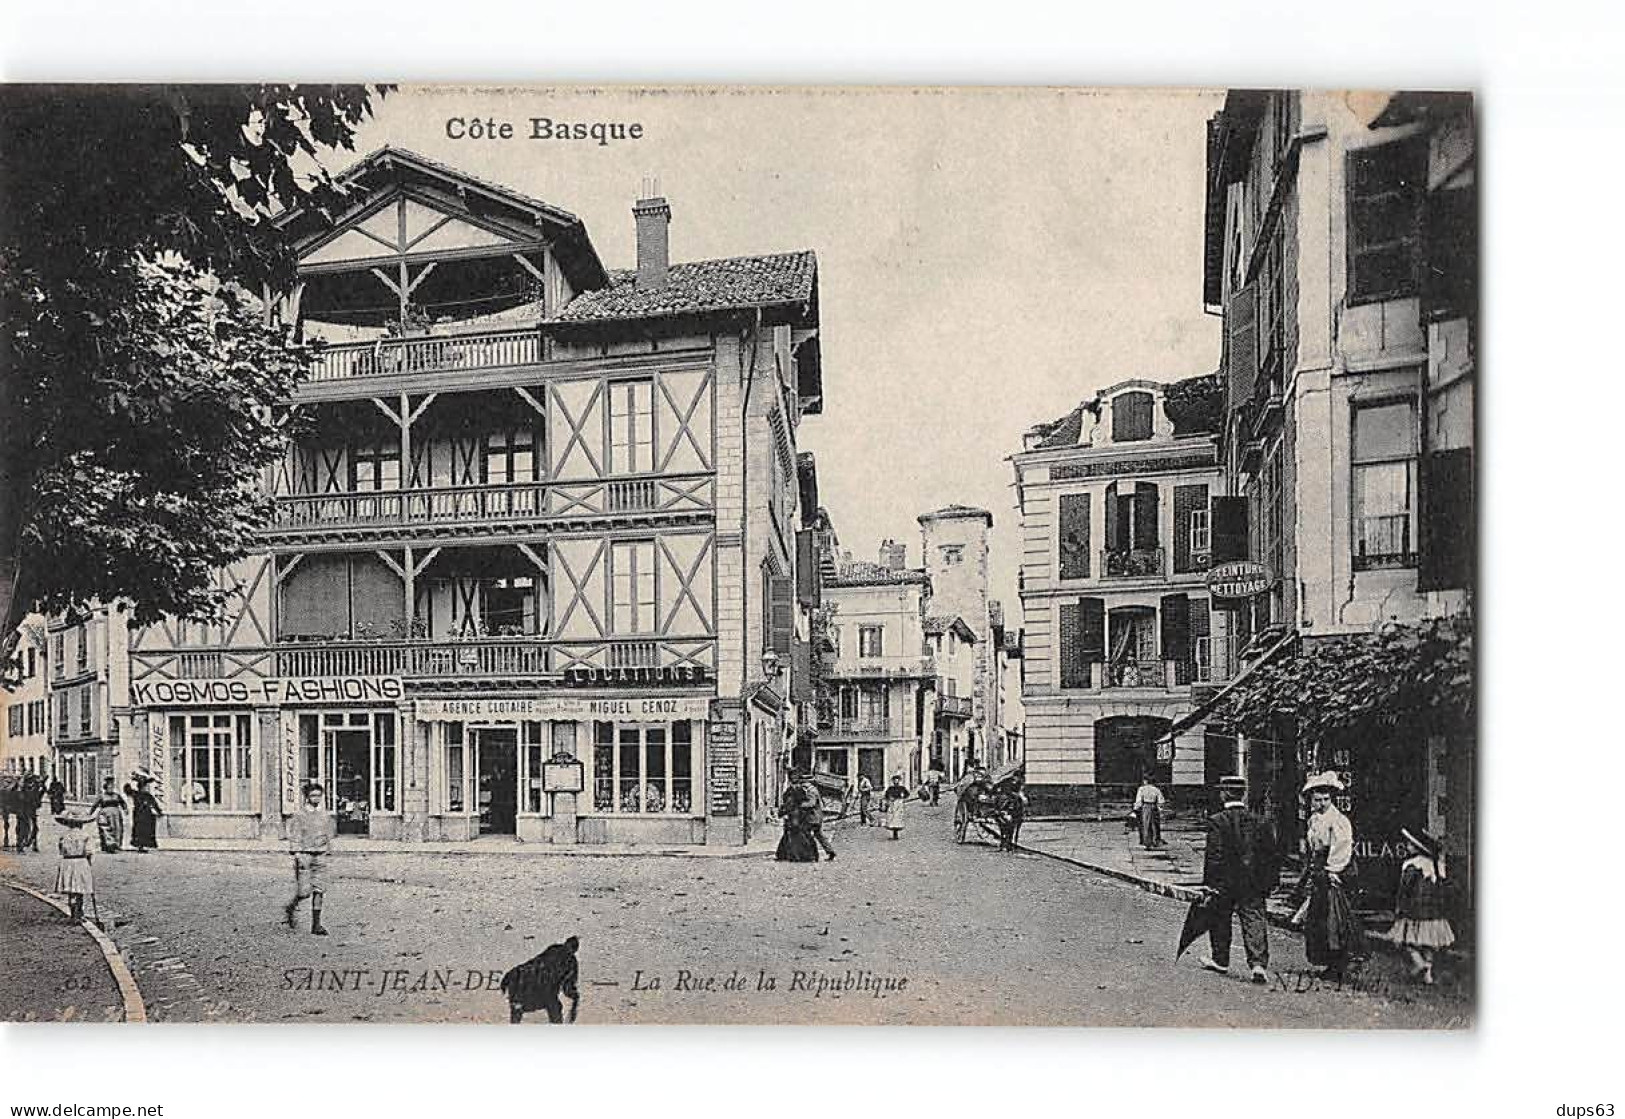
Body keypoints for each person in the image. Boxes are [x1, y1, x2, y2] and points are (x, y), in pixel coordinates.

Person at [1198, 776, 1279, 984]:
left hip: (1225, 881)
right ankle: (1258, 964)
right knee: (1254, 919)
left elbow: (1214, 855)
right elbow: (1270, 855)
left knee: (1220, 917)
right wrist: (1271, 882)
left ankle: (1221, 960)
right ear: (1242, 794)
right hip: (1252, 881)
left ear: (1224, 793)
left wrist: (1209, 884)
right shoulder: (1260, 821)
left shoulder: (1217, 821)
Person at [1296, 771, 1365, 981]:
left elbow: (1342, 846)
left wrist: (1333, 870)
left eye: (1326, 799)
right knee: (1319, 919)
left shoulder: (1338, 820)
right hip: (1319, 871)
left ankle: (1340, 964)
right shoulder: (1314, 820)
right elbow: (1312, 848)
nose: (1322, 803)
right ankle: (1328, 962)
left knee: (1335, 918)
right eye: (1318, 799)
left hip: (1334, 871)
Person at [1379, 826, 1455, 985]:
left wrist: (1399, 907)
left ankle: (1419, 964)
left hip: (1414, 909)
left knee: (1407, 941)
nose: (1407, 846)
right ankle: (1428, 973)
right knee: (1428, 943)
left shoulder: (1411, 864)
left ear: (1417, 847)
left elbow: (1404, 889)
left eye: (1410, 844)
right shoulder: (1435, 865)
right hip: (1433, 911)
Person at [284, 781, 334, 935]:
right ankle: (291, 908)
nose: (316, 798)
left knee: (319, 889)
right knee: (304, 891)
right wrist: (298, 854)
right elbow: (295, 836)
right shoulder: (299, 816)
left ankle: (316, 925)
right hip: (305, 855)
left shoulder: (324, 815)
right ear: (307, 797)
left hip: (320, 855)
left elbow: (329, 834)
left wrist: (327, 848)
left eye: (319, 795)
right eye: (313, 795)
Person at [501, 935, 581, 1023]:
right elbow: (538, 963)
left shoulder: (570, 963)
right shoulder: (555, 952)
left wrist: (574, 996)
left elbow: (568, 986)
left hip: (544, 991)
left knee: (554, 1008)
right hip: (533, 986)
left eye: (571, 948)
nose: (568, 950)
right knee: (519, 1007)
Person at [53, 810, 95, 923]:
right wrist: (89, 862)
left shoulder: (64, 836)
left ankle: (73, 914)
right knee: (79, 889)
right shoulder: (85, 836)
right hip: (81, 861)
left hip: (67, 863)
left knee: (71, 890)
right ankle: (79, 913)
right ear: (81, 823)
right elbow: (89, 851)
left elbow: (61, 850)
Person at [775, 772, 819, 863]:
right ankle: (795, 855)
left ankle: (802, 856)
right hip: (796, 814)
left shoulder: (796, 790)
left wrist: (785, 811)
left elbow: (792, 803)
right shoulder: (794, 790)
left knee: (798, 835)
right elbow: (788, 802)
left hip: (796, 815)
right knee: (795, 835)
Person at [799, 773, 837, 861]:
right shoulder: (814, 789)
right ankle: (830, 851)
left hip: (813, 817)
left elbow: (811, 804)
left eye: (803, 783)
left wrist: (800, 805)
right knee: (819, 835)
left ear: (807, 782)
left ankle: (812, 855)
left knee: (806, 834)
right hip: (818, 816)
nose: (802, 785)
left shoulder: (810, 791)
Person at [125, 770, 164, 853]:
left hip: (145, 814)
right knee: (139, 830)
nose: (145, 788)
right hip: (140, 814)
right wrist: (130, 780)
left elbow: (154, 804)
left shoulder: (146, 795)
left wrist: (159, 812)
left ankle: (142, 846)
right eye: (144, 786)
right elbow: (127, 789)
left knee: (145, 830)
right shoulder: (137, 794)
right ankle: (140, 845)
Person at [92, 777, 126, 854]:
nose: (110, 788)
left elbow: (123, 803)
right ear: (105, 788)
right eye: (109, 787)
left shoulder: (117, 795)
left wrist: (125, 809)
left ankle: (116, 845)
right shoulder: (102, 796)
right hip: (104, 814)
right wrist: (90, 813)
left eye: (112, 787)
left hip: (116, 815)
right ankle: (108, 846)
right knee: (106, 829)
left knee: (117, 829)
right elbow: (95, 805)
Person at [1133, 773, 1166, 849]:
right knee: (1155, 824)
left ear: (1145, 781)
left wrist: (1136, 808)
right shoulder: (1156, 789)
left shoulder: (1141, 789)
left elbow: (1138, 800)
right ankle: (1155, 841)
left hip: (1145, 807)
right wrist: (1160, 808)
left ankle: (1147, 842)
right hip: (1154, 807)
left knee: (1146, 824)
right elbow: (1161, 801)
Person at [882, 775, 910, 839]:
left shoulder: (902, 788)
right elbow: (886, 795)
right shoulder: (890, 788)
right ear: (893, 781)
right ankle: (894, 833)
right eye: (894, 780)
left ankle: (896, 833)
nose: (896, 781)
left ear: (899, 781)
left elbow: (907, 794)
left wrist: (903, 798)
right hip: (892, 804)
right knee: (892, 817)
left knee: (897, 817)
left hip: (899, 804)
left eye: (897, 780)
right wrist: (889, 799)